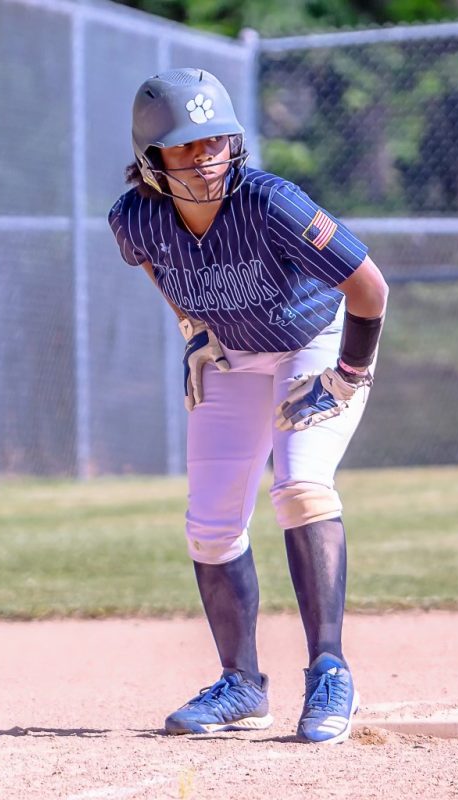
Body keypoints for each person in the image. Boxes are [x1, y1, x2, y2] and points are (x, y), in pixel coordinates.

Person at [107, 68, 388, 744]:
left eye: (215, 142)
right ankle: (241, 686)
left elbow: (370, 288)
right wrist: (193, 330)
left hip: (314, 343)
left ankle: (330, 672)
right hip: (233, 357)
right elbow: (155, 264)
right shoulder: (135, 217)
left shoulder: (271, 203)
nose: (206, 159)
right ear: (151, 162)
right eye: (185, 147)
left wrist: (349, 373)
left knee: (298, 485)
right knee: (209, 524)